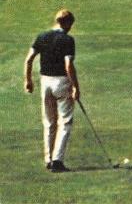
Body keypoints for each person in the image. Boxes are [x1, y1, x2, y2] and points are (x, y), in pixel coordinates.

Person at [24, 9, 81, 173]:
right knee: (65, 122)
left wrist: (28, 80)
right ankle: (57, 160)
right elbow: (68, 65)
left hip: (45, 82)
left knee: (49, 122)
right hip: (62, 82)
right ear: (67, 23)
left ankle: (48, 159)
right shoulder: (68, 40)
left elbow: (29, 60)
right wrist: (76, 86)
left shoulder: (42, 36)